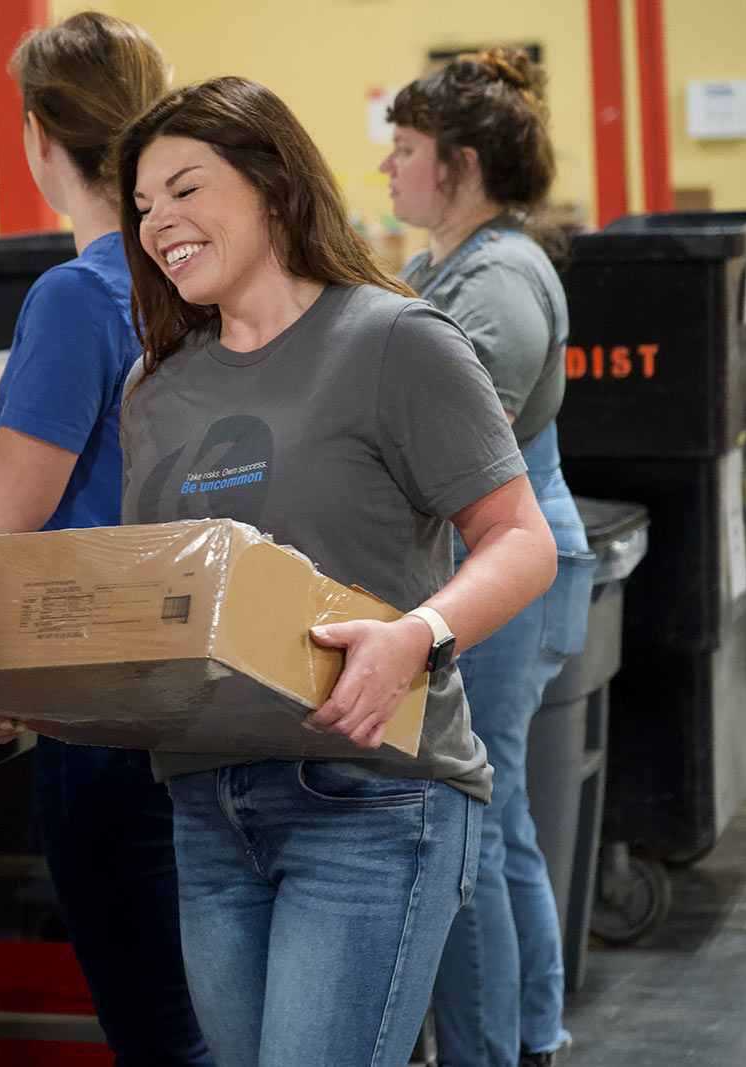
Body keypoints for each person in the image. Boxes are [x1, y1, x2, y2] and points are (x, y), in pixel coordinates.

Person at [113, 76, 559, 1067]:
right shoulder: (155, 390)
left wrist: (416, 635)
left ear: (272, 182)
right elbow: (158, 598)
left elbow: (521, 538)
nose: (160, 223)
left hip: (369, 797)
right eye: (143, 206)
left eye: (186, 188)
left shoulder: (393, 341)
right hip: (204, 802)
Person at [0, 13, 213, 1064]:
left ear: (38, 140)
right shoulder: (197, 270)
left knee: (156, 1024)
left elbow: (12, 505)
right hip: (207, 681)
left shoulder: (76, 295)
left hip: (107, 706)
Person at [382, 47, 594, 1067]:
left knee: (480, 818)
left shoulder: (501, 278)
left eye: (405, 148)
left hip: (505, 566)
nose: (387, 167)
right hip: (472, 565)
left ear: (458, 163)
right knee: (494, 818)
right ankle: (521, 1030)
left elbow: (459, 459)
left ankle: (509, 1041)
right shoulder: (441, 265)